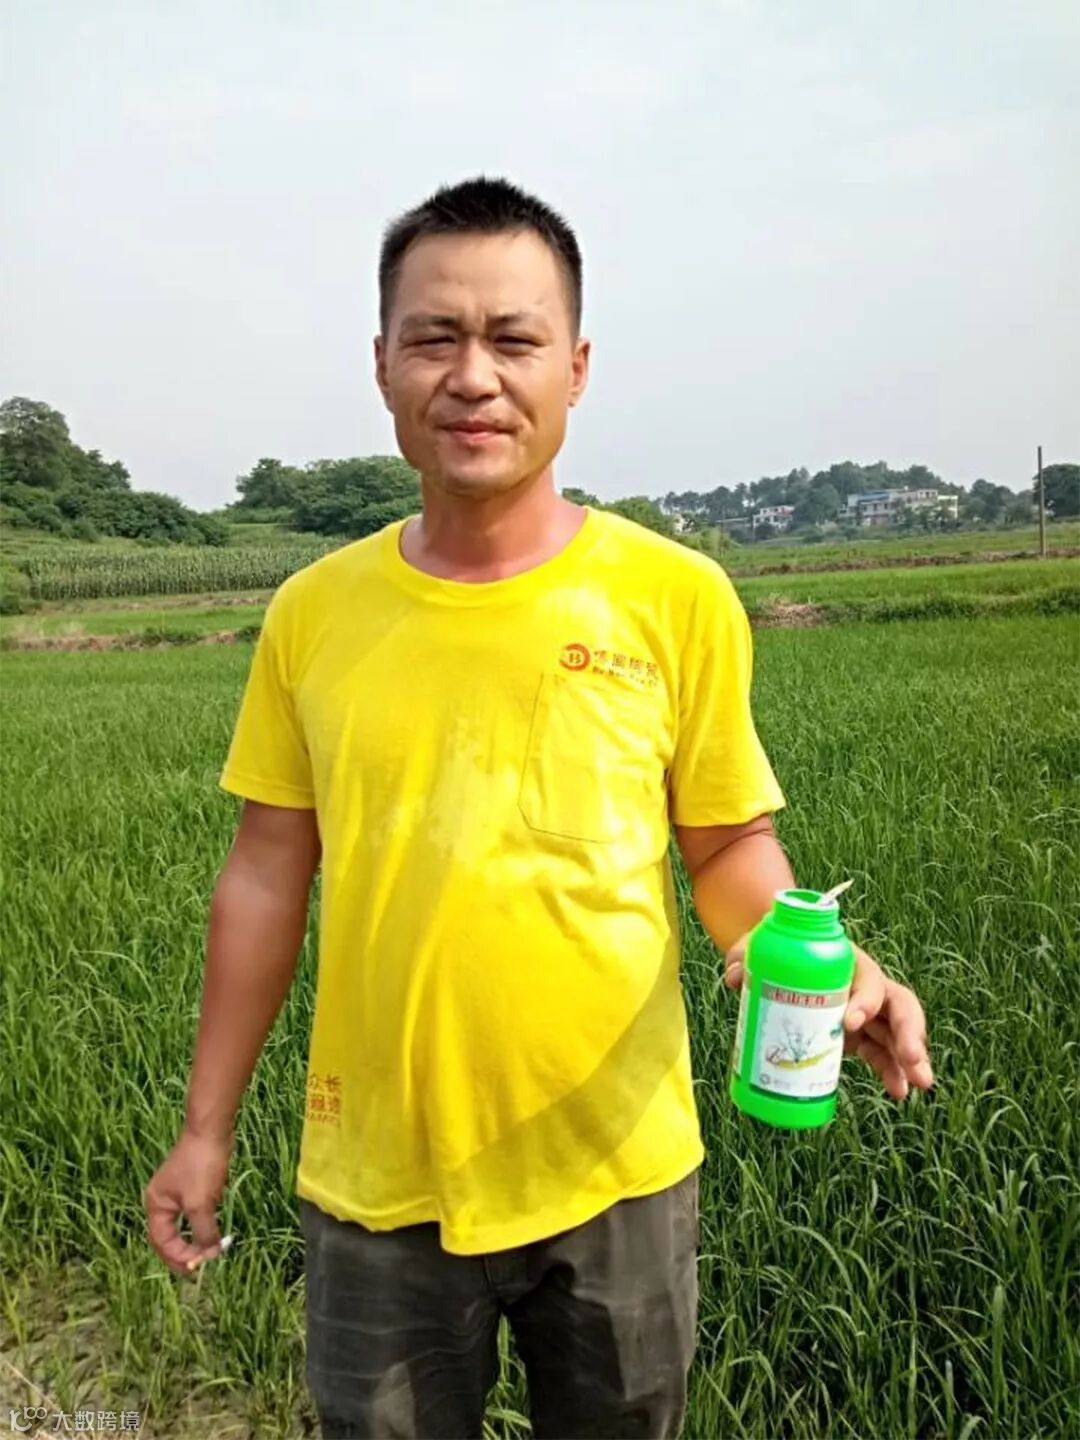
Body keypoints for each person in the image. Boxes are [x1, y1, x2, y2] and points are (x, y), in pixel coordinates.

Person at [144, 175, 934, 1440]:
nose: (474, 376)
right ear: (382, 364)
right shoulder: (313, 613)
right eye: (434, 338)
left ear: (575, 367)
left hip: (617, 1167)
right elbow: (265, 873)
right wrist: (204, 1130)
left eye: (513, 339)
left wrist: (810, 957)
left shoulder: (673, 597)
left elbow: (727, 842)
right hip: (377, 1178)